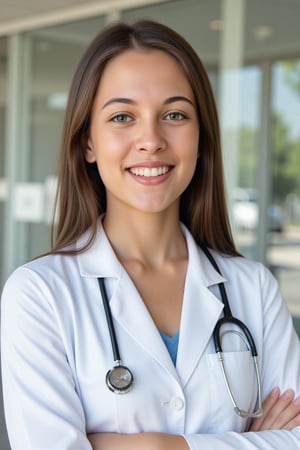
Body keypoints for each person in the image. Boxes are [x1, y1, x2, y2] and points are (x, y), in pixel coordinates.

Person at [1, 20, 300, 450]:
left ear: (201, 137)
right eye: (123, 117)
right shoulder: (39, 295)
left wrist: (157, 446)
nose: (151, 140)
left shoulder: (254, 289)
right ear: (88, 141)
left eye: (174, 115)